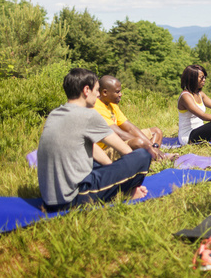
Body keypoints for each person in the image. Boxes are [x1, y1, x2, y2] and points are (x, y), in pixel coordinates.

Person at [37, 68, 152, 211]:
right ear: (86, 90)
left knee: (96, 162)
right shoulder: (88, 115)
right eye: (97, 90)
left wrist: (113, 171)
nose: (98, 95)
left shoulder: (55, 114)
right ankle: (125, 192)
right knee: (142, 156)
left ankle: (118, 188)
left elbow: (92, 147)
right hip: (75, 197)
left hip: (50, 198)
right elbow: (126, 151)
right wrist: (127, 181)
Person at [95, 75, 170, 161]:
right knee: (138, 142)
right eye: (117, 92)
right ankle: (158, 158)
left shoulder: (112, 105)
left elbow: (130, 128)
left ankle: (153, 157)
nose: (120, 94)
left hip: (118, 143)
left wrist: (151, 146)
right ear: (105, 93)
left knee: (156, 132)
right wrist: (148, 146)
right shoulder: (97, 107)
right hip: (104, 151)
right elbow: (118, 134)